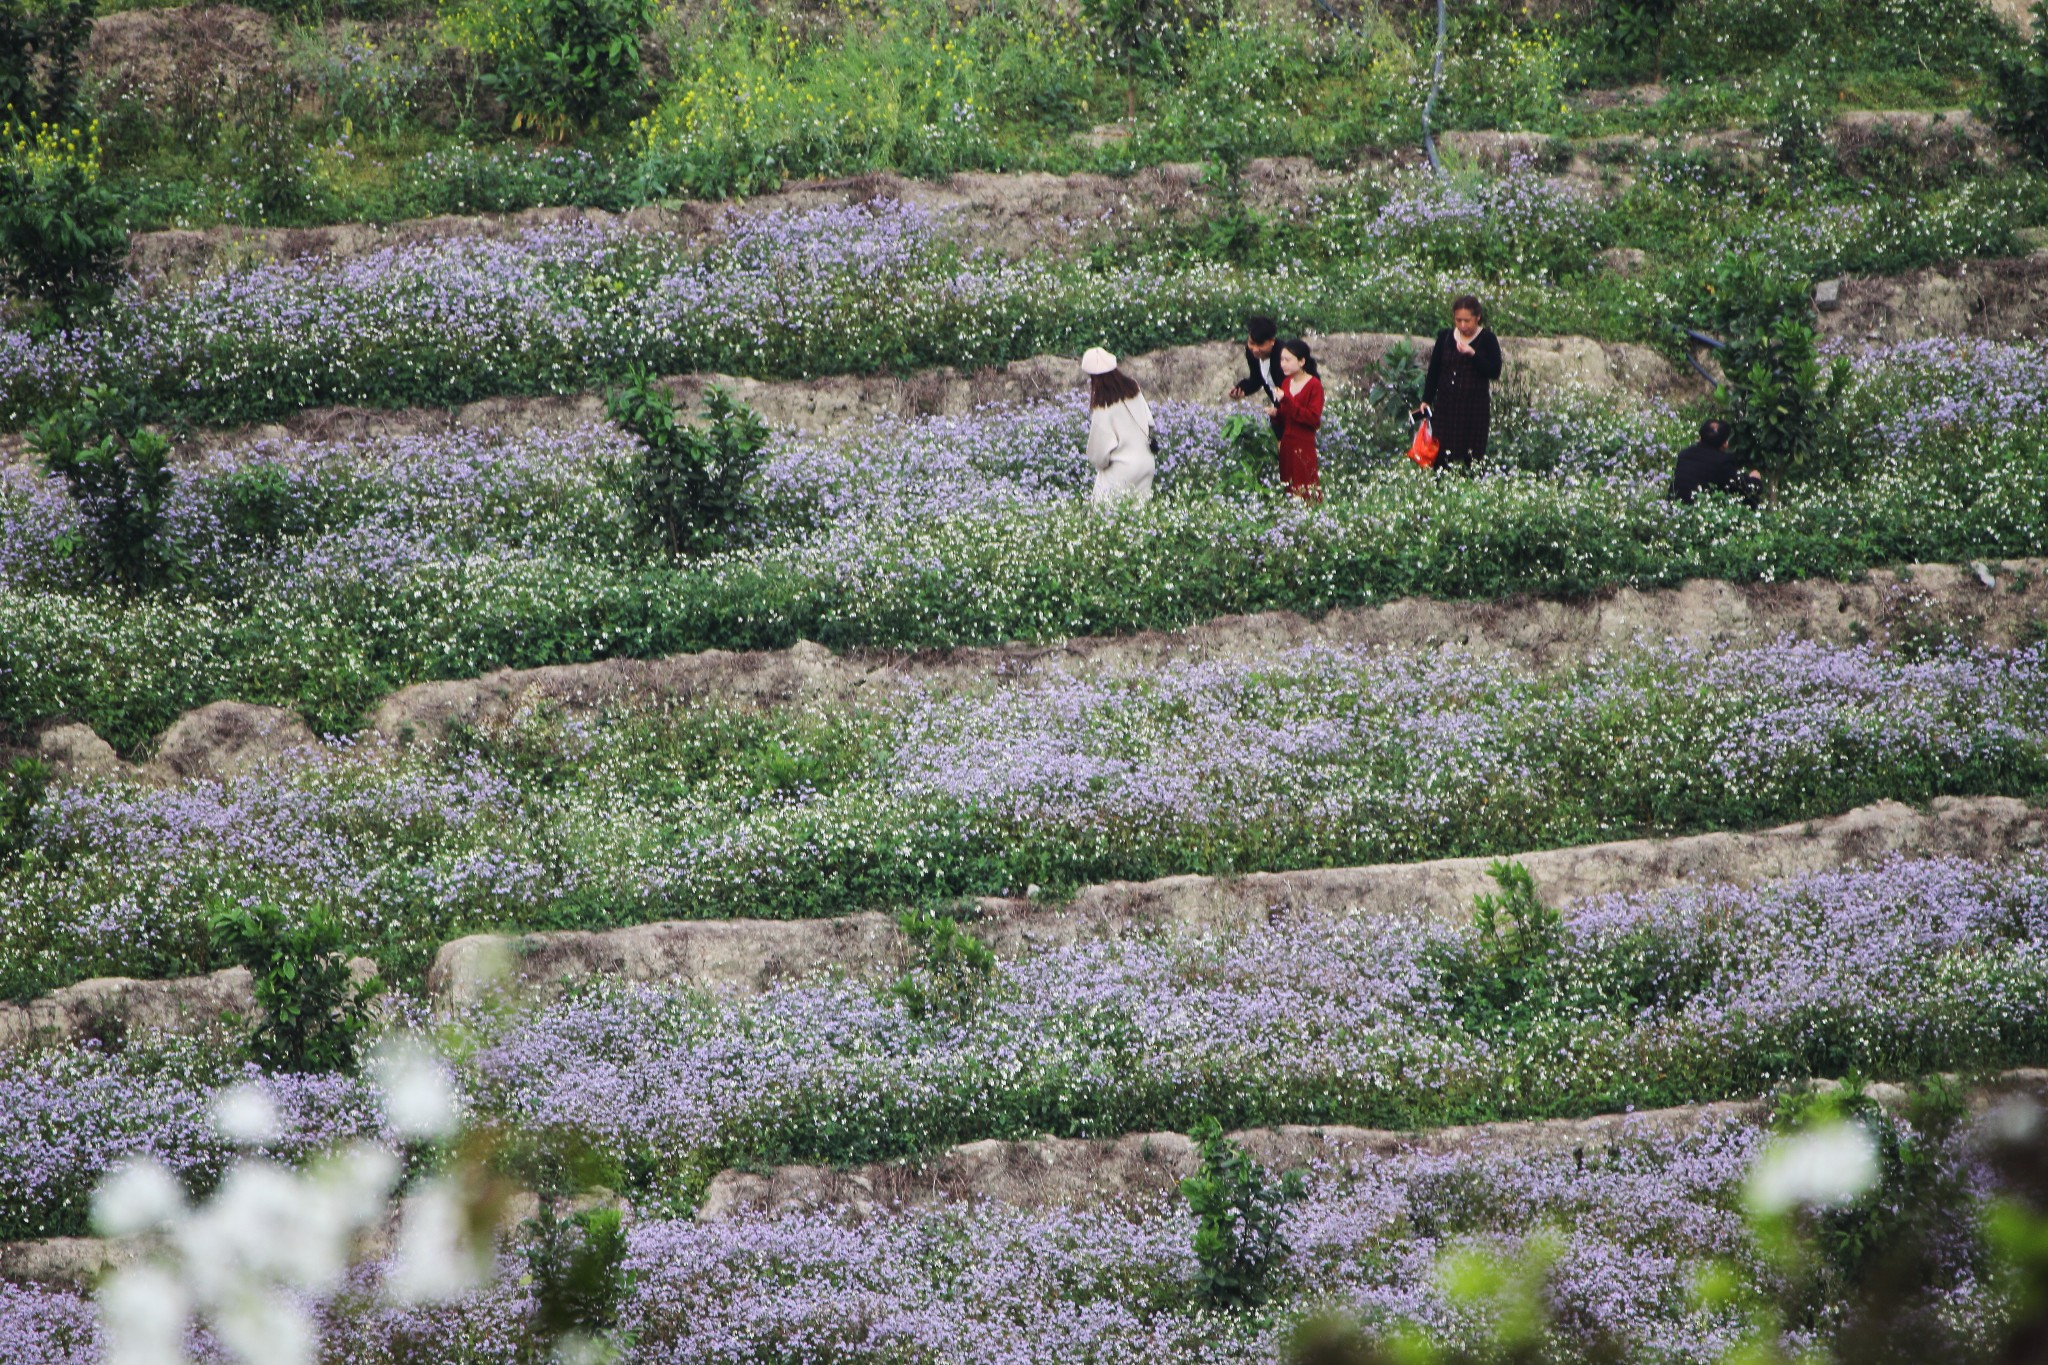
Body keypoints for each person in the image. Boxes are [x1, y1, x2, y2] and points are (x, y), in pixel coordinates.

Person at [1415, 295, 1503, 472]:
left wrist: (1473, 354)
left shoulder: (1487, 339)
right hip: (1446, 405)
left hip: (1473, 407)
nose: (1463, 325)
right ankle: (1442, 484)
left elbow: (1494, 371)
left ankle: (1468, 483)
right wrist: (1426, 399)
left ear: (1477, 317)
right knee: (1442, 450)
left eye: (1467, 321)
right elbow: (1434, 370)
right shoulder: (1445, 337)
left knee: (1470, 451)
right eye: (1458, 320)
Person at [1081, 346, 1155, 504]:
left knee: (1102, 509)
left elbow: (1098, 456)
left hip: (1124, 468)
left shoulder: (1103, 406)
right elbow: (1150, 423)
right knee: (1139, 514)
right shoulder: (1133, 388)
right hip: (1147, 463)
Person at [1265, 337, 1324, 500]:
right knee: (1288, 487)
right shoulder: (1285, 383)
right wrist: (1276, 414)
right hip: (1287, 444)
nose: (1283, 364)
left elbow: (1313, 419)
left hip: (1303, 444)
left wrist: (1286, 400)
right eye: (1281, 360)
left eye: (1287, 360)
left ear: (1301, 361)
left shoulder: (1314, 385)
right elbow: (1287, 417)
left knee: (1305, 488)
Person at [1668, 419, 1763, 507]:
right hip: (1699, 510)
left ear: (1700, 438)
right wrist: (1755, 479)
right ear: (1725, 444)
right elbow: (1742, 487)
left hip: (1675, 507)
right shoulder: (1722, 462)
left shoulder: (1684, 454)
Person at [1228, 314, 1284, 434]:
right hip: (1277, 408)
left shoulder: (1284, 355)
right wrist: (1241, 389)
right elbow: (1256, 379)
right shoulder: (1252, 353)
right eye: (1251, 343)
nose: (1255, 349)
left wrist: (1281, 410)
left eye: (1260, 345)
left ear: (1272, 341)